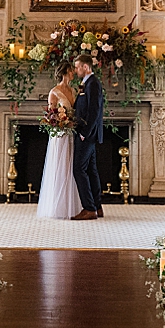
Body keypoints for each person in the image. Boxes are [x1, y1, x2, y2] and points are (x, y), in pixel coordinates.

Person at [36, 65, 81, 220]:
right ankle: (58, 207)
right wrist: (61, 121)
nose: (74, 73)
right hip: (60, 134)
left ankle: (72, 206)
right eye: (71, 71)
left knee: (70, 167)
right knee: (59, 167)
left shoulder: (73, 91)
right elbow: (50, 115)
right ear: (64, 73)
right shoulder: (54, 92)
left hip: (71, 134)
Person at [71, 54, 104, 221]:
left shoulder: (93, 84)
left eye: (77, 67)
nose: (76, 70)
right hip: (88, 134)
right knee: (91, 170)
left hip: (87, 134)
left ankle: (89, 208)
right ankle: (97, 206)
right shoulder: (88, 83)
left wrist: (84, 133)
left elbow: (94, 111)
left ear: (85, 67)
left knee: (78, 169)